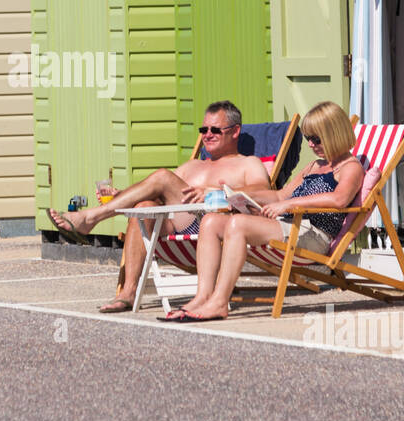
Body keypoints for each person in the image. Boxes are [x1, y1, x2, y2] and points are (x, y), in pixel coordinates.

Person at [47, 100, 270, 313]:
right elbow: (157, 190)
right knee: (144, 207)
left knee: (164, 176)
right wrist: (122, 196)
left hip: (215, 227)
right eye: (203, 130)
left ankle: (91, 218)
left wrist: (215, 192)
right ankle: (128, 292)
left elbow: (264, 192)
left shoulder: (248, 163)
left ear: (235, 131)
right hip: (180, 228)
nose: (207, 135)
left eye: (215, 130)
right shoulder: (193, 165)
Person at [164, 100, 363, 322]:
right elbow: (279, 195)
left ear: (334, 134)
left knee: (237, 224)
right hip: (289, 226)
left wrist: (290, 205)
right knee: (211, 221)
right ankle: (202, 297)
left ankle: (220, 303)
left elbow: (340, 198)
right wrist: (234, 193)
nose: (310, 145)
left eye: (316, 139)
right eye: (308, 138)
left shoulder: (350, 167)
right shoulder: (314, 166)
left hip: (312, 234)